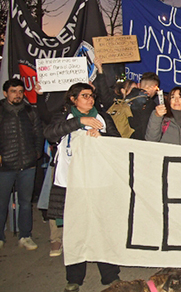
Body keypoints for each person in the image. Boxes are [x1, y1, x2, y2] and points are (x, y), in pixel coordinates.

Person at [44, 83, 121, 291]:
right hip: (71, 184)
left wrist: (103, 137)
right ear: (73, 99)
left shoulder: (103, 118)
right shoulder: (64, 117)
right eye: (84, 96)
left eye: (92, 95)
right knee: (74, 231)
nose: (90, 99)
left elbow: (118, 142)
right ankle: (74, 278)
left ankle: (110, 275)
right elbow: (50, 134)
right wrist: (79, 122)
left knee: (103, 229)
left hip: (99, 183)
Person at [0, 78, 44, 251]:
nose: (17, 95)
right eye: (13, 91)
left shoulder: (30, 111)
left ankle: (25, 236)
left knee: (25, 203)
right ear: (5, 93)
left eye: (20, 91)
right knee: (1, 202)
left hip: (27, 164)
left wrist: (36, 154)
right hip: (4, 166)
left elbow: (38, 134)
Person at [127, 72, 161, 141]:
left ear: (139, 85)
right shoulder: (150, 106)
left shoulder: (126, 99)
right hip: (139, 142)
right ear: (153, 88)